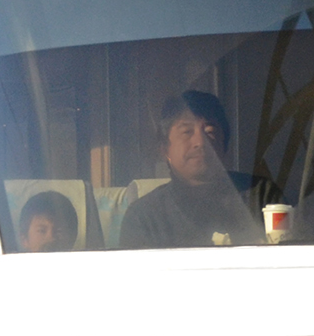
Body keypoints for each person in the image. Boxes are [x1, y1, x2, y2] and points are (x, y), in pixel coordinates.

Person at [118, 91, 279, 249]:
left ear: (225, 144)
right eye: (187, 132)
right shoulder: (144, 218)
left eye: (210, 131)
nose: (201, 142)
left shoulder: (262, 198)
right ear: (165, 149)